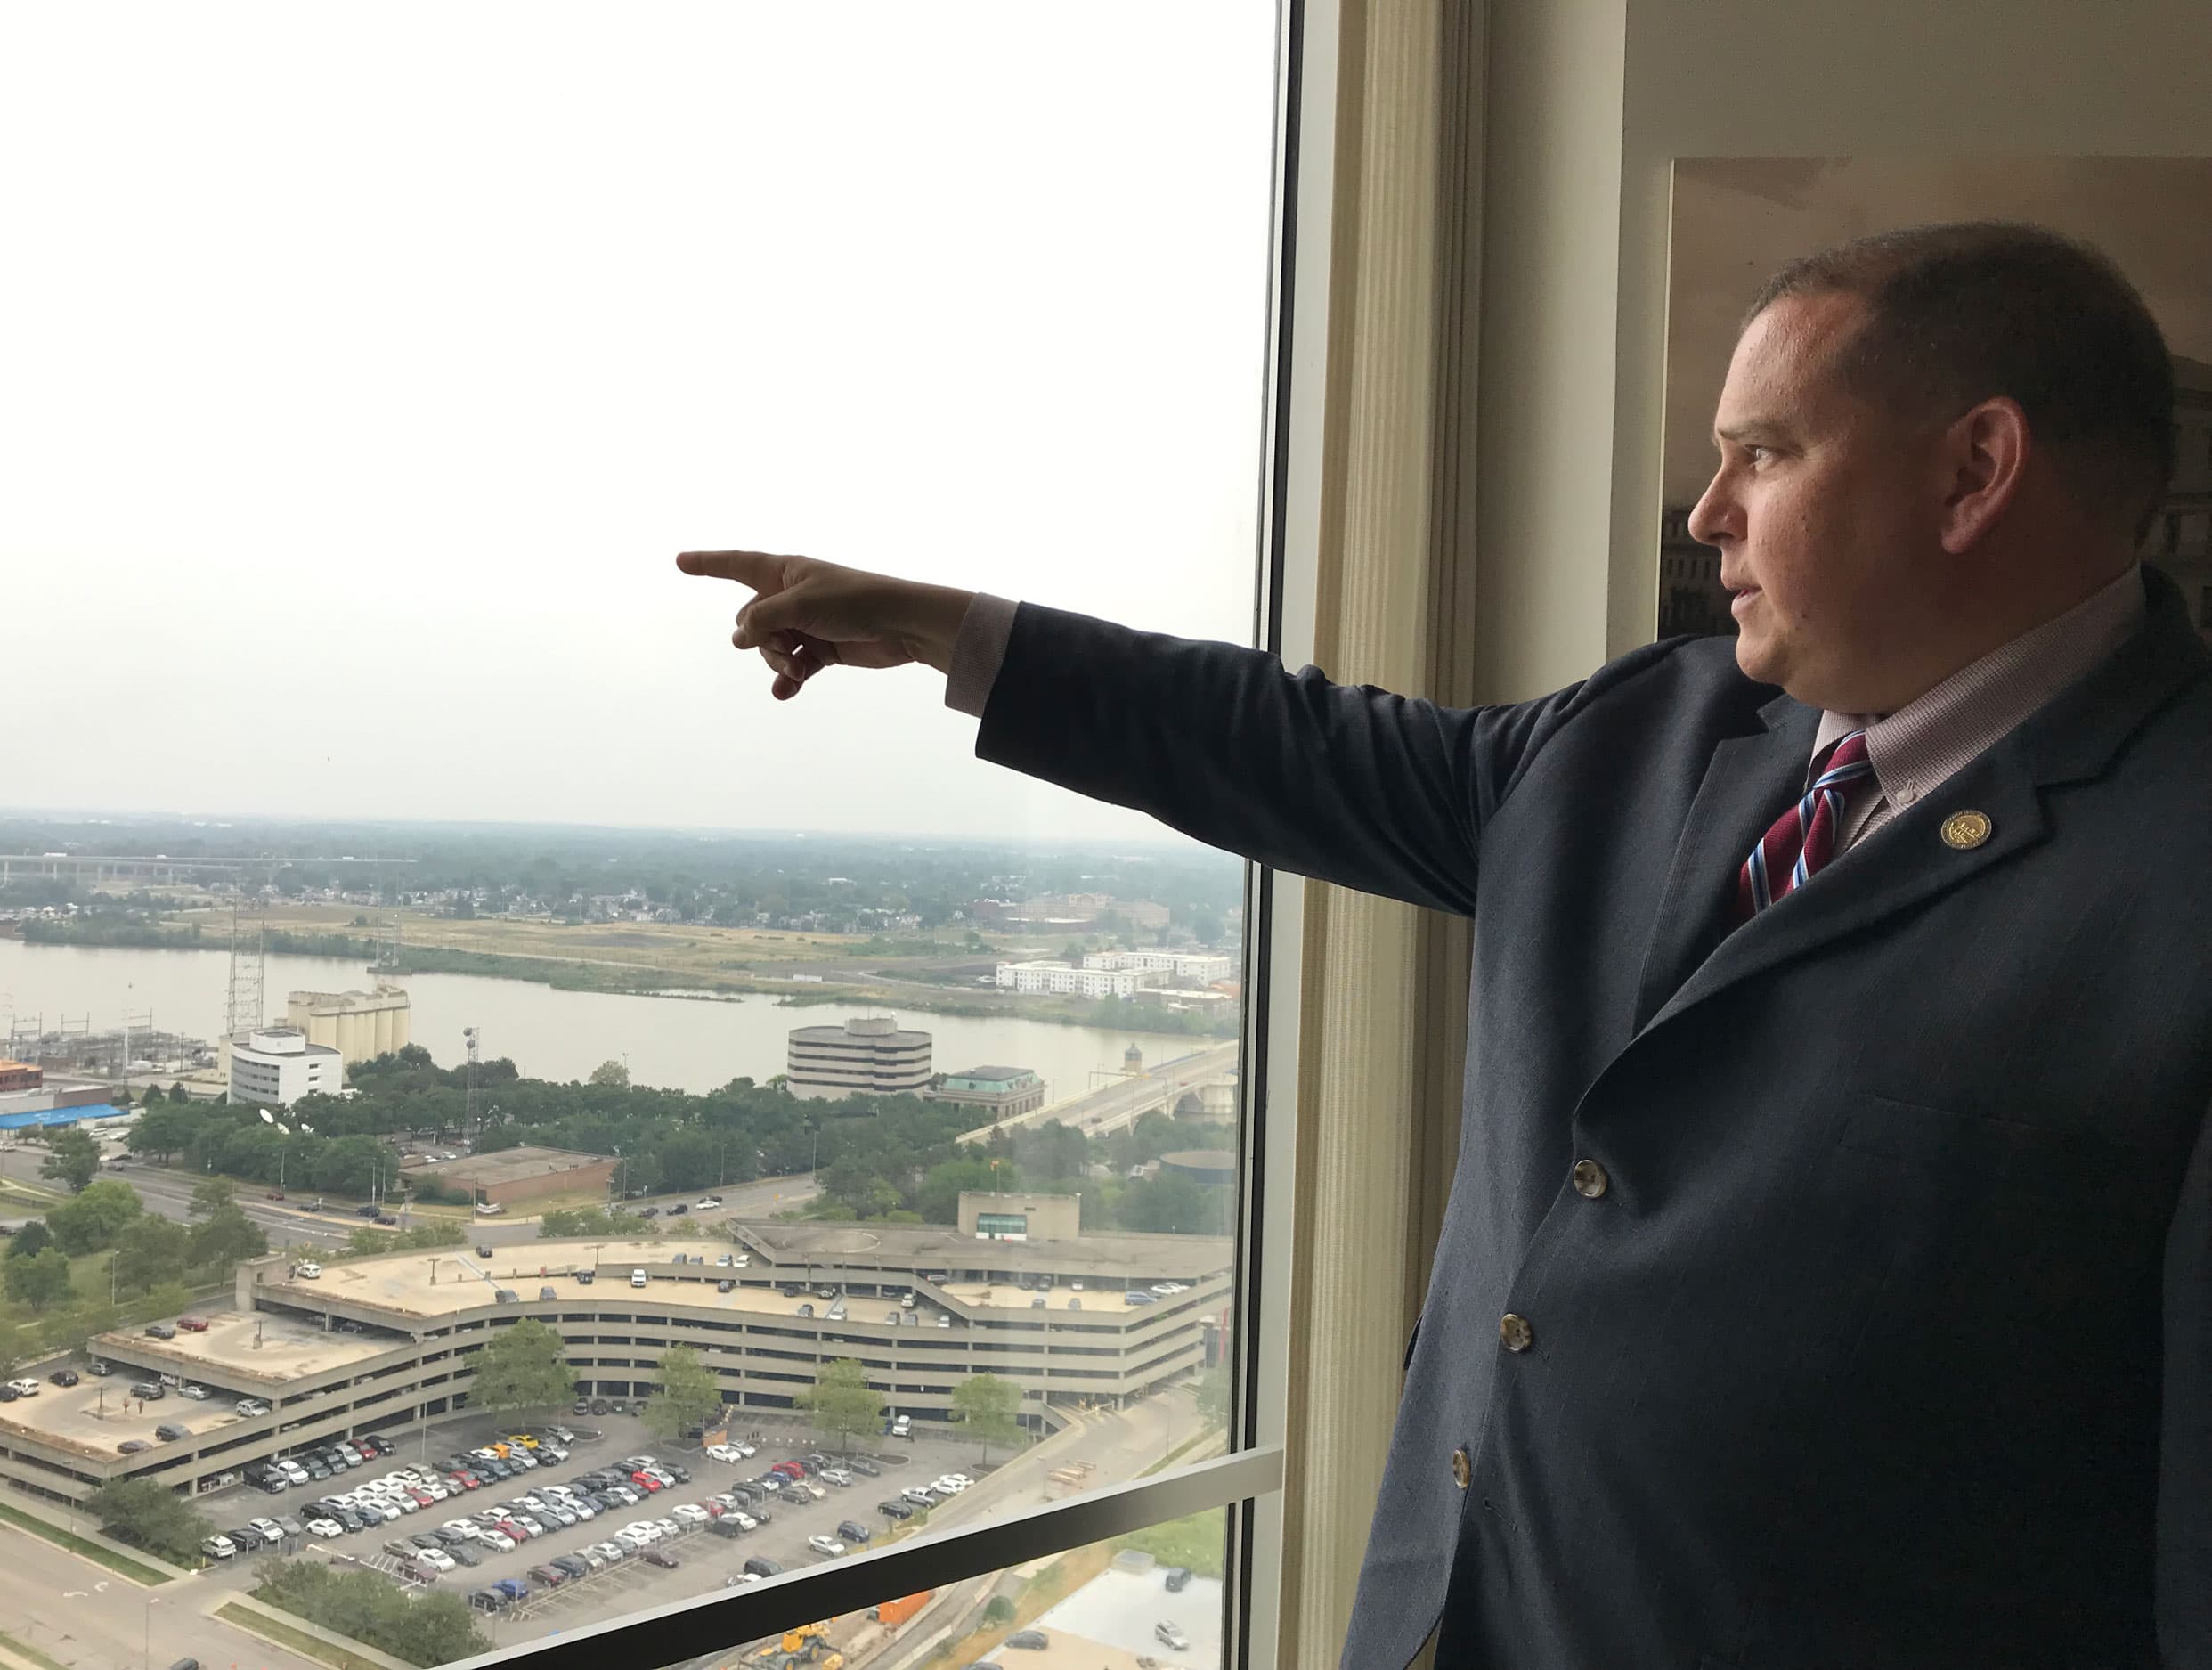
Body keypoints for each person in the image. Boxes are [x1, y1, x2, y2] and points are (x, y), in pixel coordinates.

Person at [676, 221, 2208, 1668]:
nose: (1709, 513)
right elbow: (1305, 748)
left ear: (1976, 471)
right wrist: (959, 632)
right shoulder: (1655, 730)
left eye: (1765, 453)